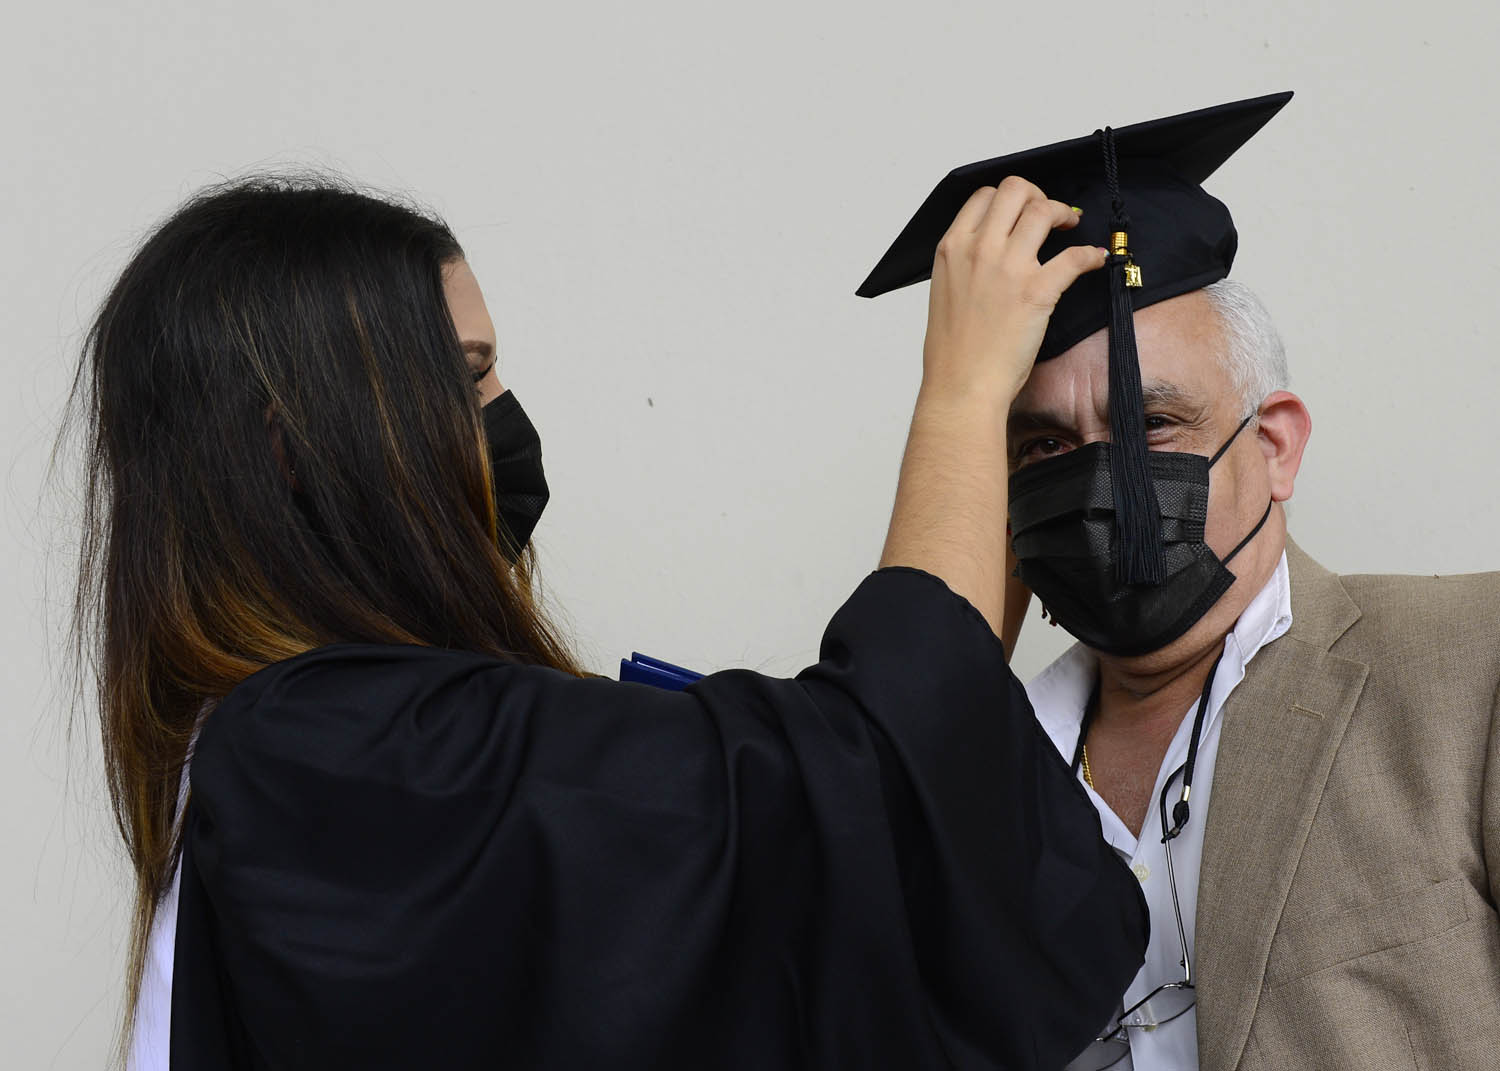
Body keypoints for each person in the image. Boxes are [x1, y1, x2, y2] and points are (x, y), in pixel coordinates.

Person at [70, 174, 1147, 1069]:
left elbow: (874, 810)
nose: (504, 415)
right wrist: (964, 395)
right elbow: (850, 794)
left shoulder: (301, 763)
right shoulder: (330, 761)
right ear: (292, 444)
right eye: (468, 375)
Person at [859, 93, 1500, 1070]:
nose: (1097, 482)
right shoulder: (972, 769)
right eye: (1045, 446)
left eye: (1152, 426)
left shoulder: (1469, 670)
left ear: (1275, 446)